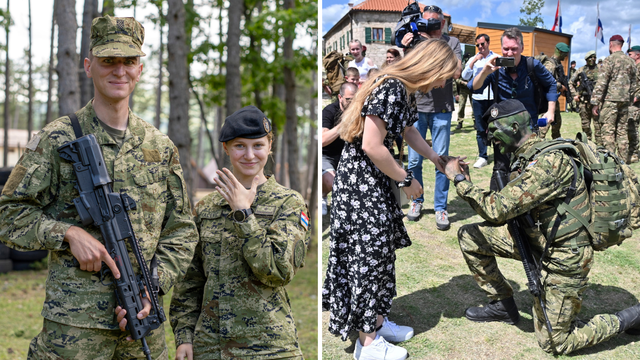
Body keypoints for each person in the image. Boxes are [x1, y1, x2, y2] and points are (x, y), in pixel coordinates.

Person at [0, 16, 197, 359]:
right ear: (89, 66)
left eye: (129, 61)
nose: (119, 71)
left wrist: (153, 286)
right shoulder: (56, 138)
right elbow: (8, 214)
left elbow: (181, 231)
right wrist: (68, 233)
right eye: (109, 61)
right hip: (75, 330)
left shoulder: (161, 147)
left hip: (143, 325)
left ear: (140, 68)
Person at [443, 99, 640, 355]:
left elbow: (497, 209)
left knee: (556, 342)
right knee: (471, 236)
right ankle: (503, 304)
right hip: (537, 239)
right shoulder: (526, 156)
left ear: (515, 126)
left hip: (565, 255)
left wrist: (458, 180)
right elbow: (505, 211)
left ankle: (632, 317)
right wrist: (468, 181)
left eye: (494, 129)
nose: (491, 137)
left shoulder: (548, 163)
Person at [322, 39, 459, 360]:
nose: (443, 84)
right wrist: (406, 179)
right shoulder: (391, 87)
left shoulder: (404, 90)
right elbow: (371, 144)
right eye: (444, 76)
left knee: (381, 256)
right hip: (361, 187)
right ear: (432, 67)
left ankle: (377, 322)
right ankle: (367, 342)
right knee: (367, 260)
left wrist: (436, 158)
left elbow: (409, 130)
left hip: (375, 184)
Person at [170, 106, 311, 360]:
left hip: (269, 348)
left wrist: (243, 214)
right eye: (239, 146)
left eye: (258, 146)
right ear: (226, 148)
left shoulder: (289, 203)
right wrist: (184, 338)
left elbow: (279, 271)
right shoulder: (206, 208)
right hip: (210, 348)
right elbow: (189, 280)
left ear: (270, 146)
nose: (249, 155)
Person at [469, 26, 557, 192]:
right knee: (501, 167)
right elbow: (474, 88)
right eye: (506, 48)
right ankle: (499, 207)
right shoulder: (495, 68)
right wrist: (485, 72)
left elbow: (551, 84)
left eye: (514, 49)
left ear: (522, 48)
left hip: (528, 128)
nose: (509, 53)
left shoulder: (532, 65)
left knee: (528, 167)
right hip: (502, 129)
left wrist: (550, 110)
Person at [400, 4, 462, 228]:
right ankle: (416, 201)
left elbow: (456, 72)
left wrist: (433, 46)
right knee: (415, 160)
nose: (431, 26)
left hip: (442, 109)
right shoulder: (417, 40)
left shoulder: (451, 42)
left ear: (443, 23)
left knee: (441, 158)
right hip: (417, 107)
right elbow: (407, 70)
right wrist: (408, 49)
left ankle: (440, 208)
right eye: (426, 22)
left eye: (435, 22)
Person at [591, 34, 639, 162]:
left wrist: (595, 103)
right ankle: (623, 161)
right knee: (622, 132)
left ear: (611, 44)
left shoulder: (609, 60)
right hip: (625, 102)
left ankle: (611, 162)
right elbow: (634, 84)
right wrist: (630, 99)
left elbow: (601, 83)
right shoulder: (631, 62)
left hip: (610, 101)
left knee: (608, 131)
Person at [322, 82, 358, 216]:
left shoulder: (360, 112)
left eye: (355, 99)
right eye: (348, 99)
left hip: (348, 156)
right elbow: (322, 140)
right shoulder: (329, 111)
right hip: (327, 156)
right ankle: (322, 194)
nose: (352, 103)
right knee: (333, 182)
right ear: (340, 97)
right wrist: (344, 124)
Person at [461, 33, 495, 169]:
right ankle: (483, 156)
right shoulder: (474, 59)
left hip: (493, 97)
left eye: (482, 44)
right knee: (481, 129)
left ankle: (499, 154)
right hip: (478, 98)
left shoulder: (495, 57)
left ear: (488, 43)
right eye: (478, 45)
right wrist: (474, 61)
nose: (480, 47)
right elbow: (464, 76)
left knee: (495, 127)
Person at [539, 42, 570, 140]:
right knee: (544, 126)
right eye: (565, 53)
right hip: (546, 100)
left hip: (553, 99)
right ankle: (536, 142)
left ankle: (557, 142)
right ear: (560, 52)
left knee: (557, 125)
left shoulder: (557, 64)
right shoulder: (550, 64)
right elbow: (544, 80)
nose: (566, 56)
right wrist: (560, 86)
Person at [569, 51, 601, 144]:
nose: (593, 60)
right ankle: (588, 145)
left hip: (597, 102)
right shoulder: (581, 70)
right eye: (590, 58)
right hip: (584, 102)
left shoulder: (601, 69)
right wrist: (575, 95)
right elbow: (571, 83)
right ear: (587, 59)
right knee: (585, 125)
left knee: (598, 126)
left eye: (594, 58)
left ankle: (600, 147)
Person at [627, 45, 640, 163]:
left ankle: (634, 154)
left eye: (630, 54)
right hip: (631, 102)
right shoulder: (634, 66)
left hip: (636, 104)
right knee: (630, 127)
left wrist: (637, 96)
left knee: (633, 129)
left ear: (637, 55)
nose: (628, 56)